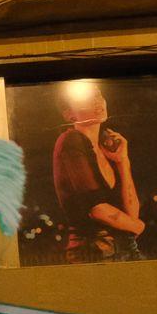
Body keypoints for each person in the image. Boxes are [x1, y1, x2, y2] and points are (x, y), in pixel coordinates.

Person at [49, 80, 142, 260]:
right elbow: (97, 209)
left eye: (98, 95)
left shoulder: (106, 149)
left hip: (125, 250)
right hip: (93, 251)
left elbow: (131, 213)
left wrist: (123, 161)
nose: (97, 101)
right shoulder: (70, 140)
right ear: (69, 114)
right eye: (86, 98)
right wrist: (138, 226)